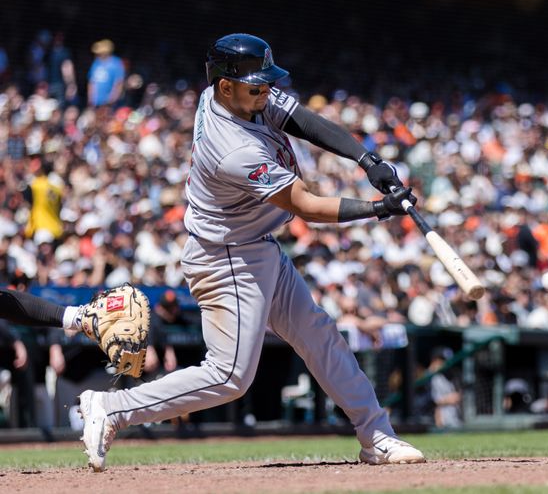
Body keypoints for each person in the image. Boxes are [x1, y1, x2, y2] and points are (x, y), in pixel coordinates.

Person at [77, 33, 425, 471]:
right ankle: (113, 408)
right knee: (229, 376)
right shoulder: (232, 149)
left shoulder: (232, 93)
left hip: (254, 246)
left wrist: (366, 160)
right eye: (257, 86)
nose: (266, 92)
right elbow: (306, 206)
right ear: (226, 86)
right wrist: (378, 209)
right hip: (226, 257)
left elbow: (301, 119)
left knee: (319, 334)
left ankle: (376, 435)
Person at [86, 39, 125, 108]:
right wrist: (90, 98)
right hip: (96, 103)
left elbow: (119, 82)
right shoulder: (96, 63)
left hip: (109, 103)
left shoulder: (116, 63)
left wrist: (112, 99)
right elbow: (91, 82)